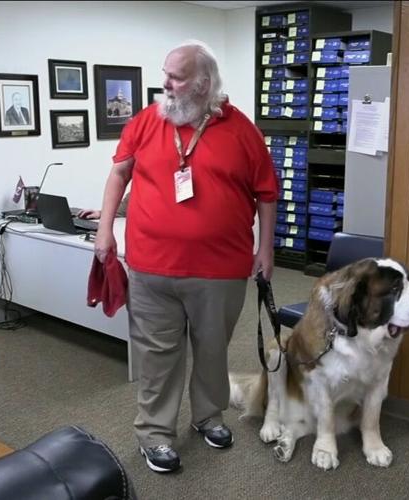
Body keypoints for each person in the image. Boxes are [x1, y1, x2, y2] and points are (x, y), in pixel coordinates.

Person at [94, 40, 277, 473]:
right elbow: (119, 172)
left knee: (212, 349)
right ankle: (155, 434)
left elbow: (267, 194)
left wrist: (265, 248)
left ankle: (207, 416)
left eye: (175, 77)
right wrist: (104, 228)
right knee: (157, 355)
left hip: (220, 270)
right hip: (150, 268)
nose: (165, 84)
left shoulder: (242, 130)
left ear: (203, 83)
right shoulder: (146, 122)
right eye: (166, 75)